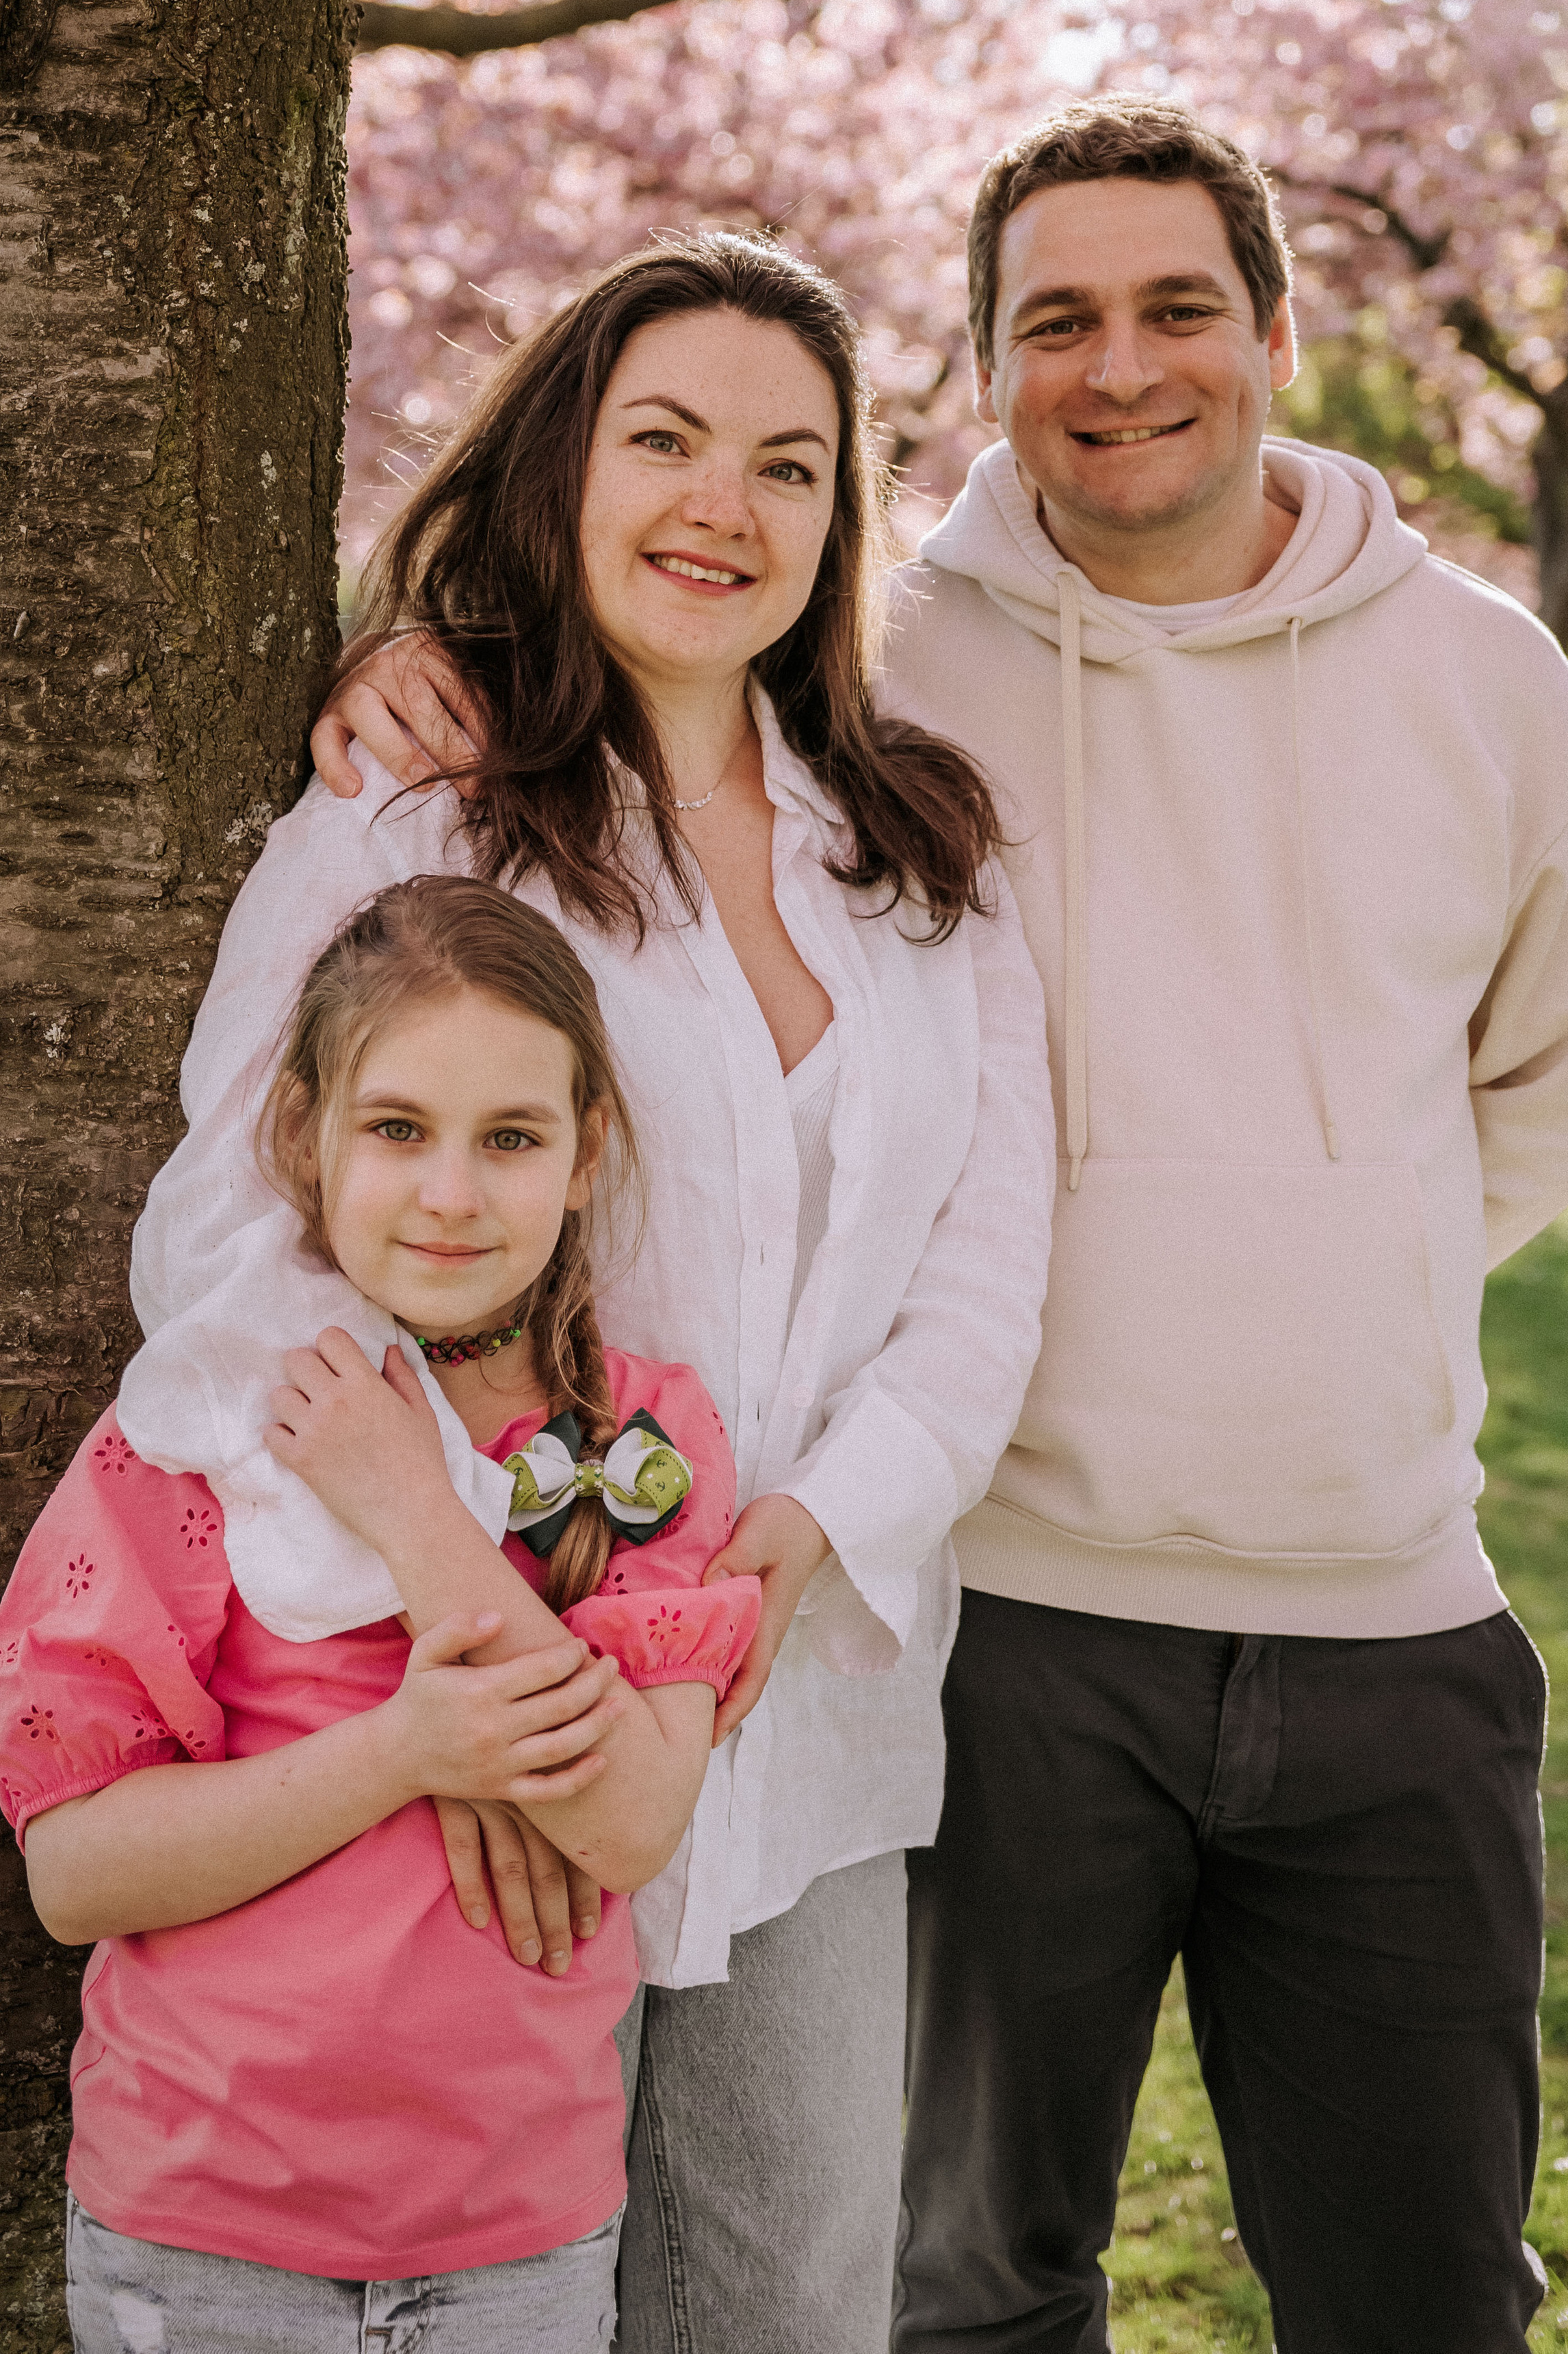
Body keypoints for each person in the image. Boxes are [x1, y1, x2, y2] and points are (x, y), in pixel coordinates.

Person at [315, 102, 1568, 2351]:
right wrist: (410, 635)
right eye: (1057, 322)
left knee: (1427, 2292)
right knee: (961, 2288)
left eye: (1174, 310)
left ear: (1281, 332)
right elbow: (641, 635)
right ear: (988, 369)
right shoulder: (885, 676)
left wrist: (1338, 1275)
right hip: (1001, 1629)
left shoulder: (1494, 679)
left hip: (1396, 1613)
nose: (1119, 366)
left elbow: (1562, 1087)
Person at [120, 233, 1056, 2354]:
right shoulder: (414, 816)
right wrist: (478, 1617)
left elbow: (991, 1271)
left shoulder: (921, 856)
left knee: (793, 2301)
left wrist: (802, 1546)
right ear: (565, 467)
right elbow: (231, 1238)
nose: (721, 507)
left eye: (789, 466)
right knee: (487, 2300)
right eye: (665, 441)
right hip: (470, 1704)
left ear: (843, 525)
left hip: (798, 1711)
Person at [2, 874, 762, 2352]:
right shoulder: (198, 1434)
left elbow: (621, 1823)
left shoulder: (639, 1443)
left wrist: (415, 1511)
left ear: (587, 1151)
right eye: (397, 1129)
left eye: (512, 1139)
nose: (452, 1195)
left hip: (512, 2245)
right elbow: (75, 1875)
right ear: (304, 1136)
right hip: (203, 2233)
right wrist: (409, 1749)